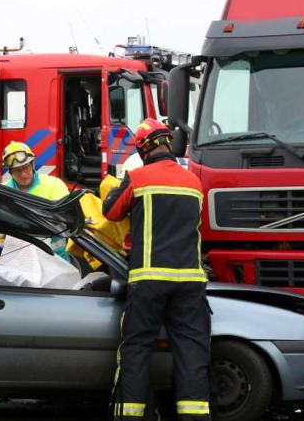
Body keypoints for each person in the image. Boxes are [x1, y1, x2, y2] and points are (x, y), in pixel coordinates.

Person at [103, 118, 211, 421]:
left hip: (149, 280)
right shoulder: (193, 182)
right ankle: (195, 416)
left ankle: (131, 415)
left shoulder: (138, 178)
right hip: (190, 281)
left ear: (143, 149)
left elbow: (110, 212)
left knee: (137, 348)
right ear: (168, 145)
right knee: (192, 351)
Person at [1, 141, 71, 260]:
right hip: (19, 261)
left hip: (56, 260)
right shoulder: (2, 192)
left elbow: (66, 218)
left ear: (33, 164)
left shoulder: (54, 185)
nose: (23, 174)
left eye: (26, 168)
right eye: (17, 170)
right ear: (10, 171)